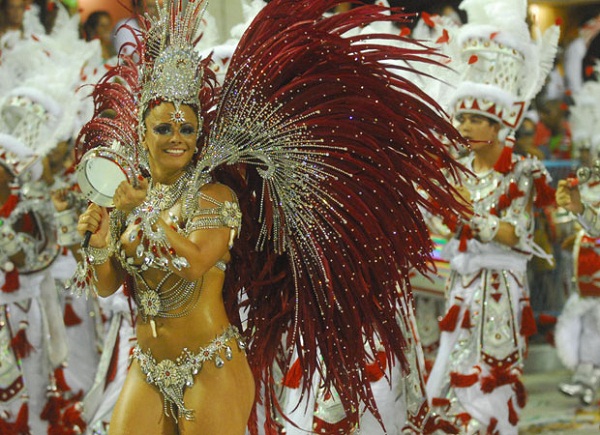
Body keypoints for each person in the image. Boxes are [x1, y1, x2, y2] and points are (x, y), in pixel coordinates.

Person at [72, 1, 468, 433]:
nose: (177, 139)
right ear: (142, 134)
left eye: (187, 128)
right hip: (147, 366)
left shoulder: (213, 196)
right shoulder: (132, 195)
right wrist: (98, 243)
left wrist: (141, 210)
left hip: (210, 367)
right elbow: (108, 285)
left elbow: (194, 262)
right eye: (164, 129)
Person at [424, 0, 559, 432]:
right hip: (460, 286)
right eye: (459, 116)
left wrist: (469, 216)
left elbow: (519, 234)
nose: (462, 126)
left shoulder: (523, 169)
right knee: (455, 382)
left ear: (499, 121)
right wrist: (441, 219)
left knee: (492, 380)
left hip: (500, 290)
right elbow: (443, 232)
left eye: (473, 118)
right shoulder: (456, 169)